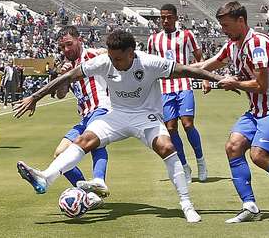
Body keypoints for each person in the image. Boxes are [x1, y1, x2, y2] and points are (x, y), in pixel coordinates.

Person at [13, 29, 224, 224]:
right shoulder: (104, 61)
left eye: (119, 59)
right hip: (117, 115)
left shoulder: (151, 62)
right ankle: (45, 179)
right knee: (84, 140)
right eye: (112, 58)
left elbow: (187, 70)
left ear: (132, 53)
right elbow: (69, 76)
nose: (114, 63)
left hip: (145, 116)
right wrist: (35, 96)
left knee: (167, 147)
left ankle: (186, 204)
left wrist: (219, 79)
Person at [192, 1, 269, 223]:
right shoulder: (232, 45)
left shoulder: (258, 43)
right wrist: (168, 70)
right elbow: (206, 65)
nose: (223, 30)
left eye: (226, 25)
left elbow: (261, 85)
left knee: (259, 155)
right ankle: (249, 206)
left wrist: (234, 83)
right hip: (257, 110)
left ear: (241, 21)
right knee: (233, 147)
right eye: (221, 25)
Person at [146, 4, 208, 184]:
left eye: (169, 17)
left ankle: (201, 161)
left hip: (184, 84)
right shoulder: (153, 40)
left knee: (188, 124)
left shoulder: (186, 35)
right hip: (164, 88)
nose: (165, 20)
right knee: (171, 128)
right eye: (162, 17)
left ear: (176, 18)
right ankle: (184, 166)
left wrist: (205, 79)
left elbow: (199, 57)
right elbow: (150, 64)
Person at [52, 26, 112, 201]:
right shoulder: (68, 66)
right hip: (85, 115)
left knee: (95, 143)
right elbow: (61, 94)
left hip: (101, 107)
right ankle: (89, 194)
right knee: (59, 154)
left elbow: (118, 58)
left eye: (69, 44)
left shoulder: (92, 55)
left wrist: (106, 51)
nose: (66, 50)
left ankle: (99, 180)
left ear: (80, 40)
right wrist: (64, 77)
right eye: (62, 47)